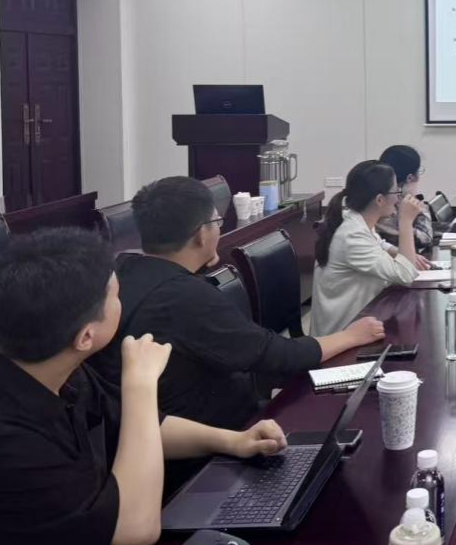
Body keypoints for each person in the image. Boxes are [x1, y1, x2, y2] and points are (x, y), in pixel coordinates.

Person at [0, 228, 289, 545]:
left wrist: (234, 440)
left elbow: (137, 427)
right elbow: (134, 529)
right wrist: (141, 384)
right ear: (86, 336)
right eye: (115, 296)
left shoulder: (49, 363)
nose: (121, 300)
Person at [91, 177, 384, 429]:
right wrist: (351, 336)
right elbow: (275, 355)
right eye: (217, 222)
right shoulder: (186, 297)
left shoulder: (120, 271)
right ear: (201, 234)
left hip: (144, 428)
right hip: (217, 438)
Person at [311, 160, 430, 337]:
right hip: (342, 335)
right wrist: (406, 221)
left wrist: (397, 252)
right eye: (396, 192)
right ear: (380, 200)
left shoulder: (354, 218)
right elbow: (406, 275)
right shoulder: (352, 235)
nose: (399, 198)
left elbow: (378, 242)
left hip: (361, 321)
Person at [376, 144, 456, 253]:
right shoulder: (388, 207)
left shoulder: (386, 198)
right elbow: (424, 238)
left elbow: (422, 229)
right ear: (410, 178)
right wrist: (420, 203)